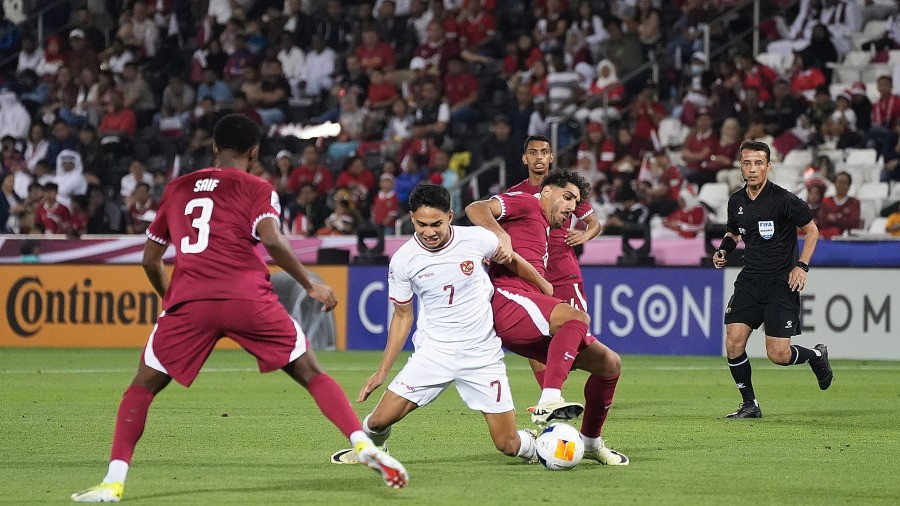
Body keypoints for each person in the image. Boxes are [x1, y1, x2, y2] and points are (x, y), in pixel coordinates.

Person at [70, 114, 408, 503]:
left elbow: (150, 259)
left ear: (214, 147)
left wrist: (172, 299)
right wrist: (308, 283)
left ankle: (113, 482)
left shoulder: (178, 188)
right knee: (311, 372)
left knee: (141, 388)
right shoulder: (257, 187)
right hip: (247, 296)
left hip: (191, 299)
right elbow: (273, 240)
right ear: (254, 151)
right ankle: (362, 444)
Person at [330, 184, 546, 466]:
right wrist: (382, 371)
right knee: (378, 421)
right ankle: (370, 449)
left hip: (482, 356)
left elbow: (513, 261)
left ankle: (543, 446)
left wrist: (544, 287)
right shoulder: (404, 260)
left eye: (436, 224)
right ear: (411, 217)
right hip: (434, 353)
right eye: (421, 224)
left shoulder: (477, 239)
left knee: (508, 444)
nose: (429, 231)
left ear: (450, 216)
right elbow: (402, 316)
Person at [504, 135, 626, 466]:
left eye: (545, 152)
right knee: (542, 357)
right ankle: (555, 428)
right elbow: (484, 213)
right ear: (525, 158)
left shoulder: (565, 191)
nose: (540, 157)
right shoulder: (518, 196)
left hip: (564, 278)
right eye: (534, 152)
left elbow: (594, 221)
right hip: (530, 283)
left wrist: (583, 235)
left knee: (579, 346)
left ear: (552, 156)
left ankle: (581, 436)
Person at [712, 140, 833, 419]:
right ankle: (750, 405)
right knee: (733, 342)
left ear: (768, 166)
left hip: (781, 283)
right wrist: (723, 250)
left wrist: (801, 266)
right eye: (747, 163)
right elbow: (733, 233)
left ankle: (816, 356)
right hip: (750, 280)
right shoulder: (736, 201)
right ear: (740, 166)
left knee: (778, 354)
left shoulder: (785, 200)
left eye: (758, 163)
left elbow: (812, 231)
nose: (752, 169)